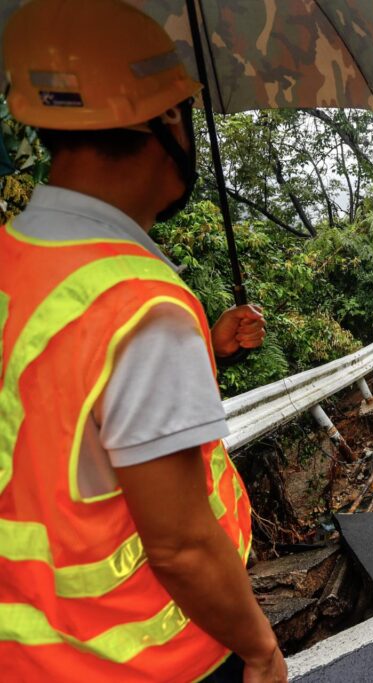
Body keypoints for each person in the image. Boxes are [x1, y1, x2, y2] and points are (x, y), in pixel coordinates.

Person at [0, 1, 285, 681]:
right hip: (147, 657)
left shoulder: (17, 258)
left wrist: (208, 353)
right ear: (166, 122)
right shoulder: (141, 307)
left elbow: (56, 415)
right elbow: (183, 544)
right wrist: (261, 650)